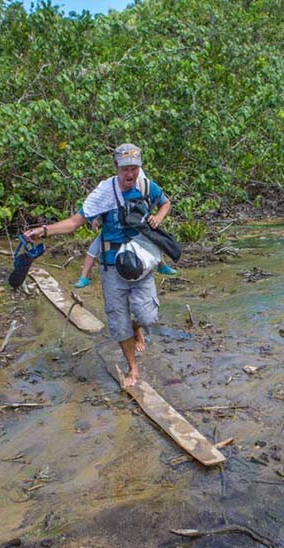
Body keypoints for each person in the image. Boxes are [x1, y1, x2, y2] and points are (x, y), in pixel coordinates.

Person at [24, 143, 171, 387]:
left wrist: (158, 217)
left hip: (140, 263)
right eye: (125, 169)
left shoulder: (146, 185)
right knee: (118, 321)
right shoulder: (104, 192)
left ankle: (138, 327)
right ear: (116, 168)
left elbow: (165, 203)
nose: (130, 174)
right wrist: (44, 231)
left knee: (148, 315)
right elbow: (73, 223)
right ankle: (132, 368)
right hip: (111, 266)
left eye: (134, 168)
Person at [74, 231, 177, 288]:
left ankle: (162, 265)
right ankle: (84, 277)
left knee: (151, 238)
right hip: (112, 230)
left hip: (132, 223)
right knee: (94, 247)